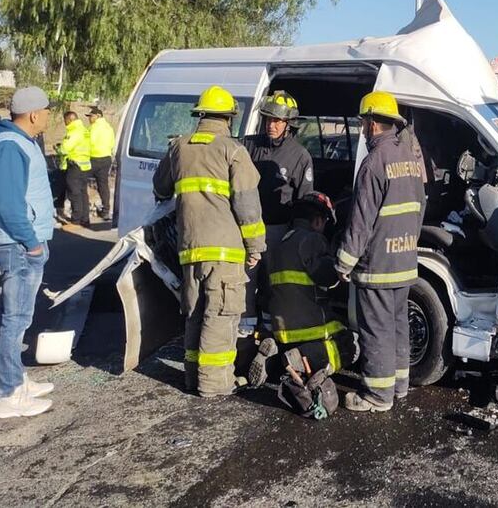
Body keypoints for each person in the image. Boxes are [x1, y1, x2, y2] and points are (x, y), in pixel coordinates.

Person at [152, 85, 266, 397]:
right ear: (229, 118)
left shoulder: (179, 147)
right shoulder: (233, 151)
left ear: (200, 115)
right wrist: (255, 248)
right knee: (220, 317)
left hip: (189, 251)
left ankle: (192, 379)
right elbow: (247, 207)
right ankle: (214, 386)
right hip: (225, 253)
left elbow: (160, 188)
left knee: (195, 315)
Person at [335, 91, 426, 412]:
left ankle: (377, 395)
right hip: (404, 260)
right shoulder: (410, 162)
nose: (361, 128)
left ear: (373, 124)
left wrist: (343, 262)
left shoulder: (374, 163)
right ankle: (400, 386)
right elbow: (419, 209)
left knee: (376, 329)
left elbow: (360, 222)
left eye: (363, 122)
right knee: (398, 325)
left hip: (377, 265)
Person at [0, 86, 57, 418]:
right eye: (47, 111)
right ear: (34, 114)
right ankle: (9, 395)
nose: (49, 117)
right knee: (14, 320)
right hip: (19, 245)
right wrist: (33, 242)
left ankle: (16, 380)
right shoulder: (11, 147)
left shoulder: (18, 142)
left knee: (19, 317)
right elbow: (11, 205)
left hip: (22, 243)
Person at [247, 192, 357, 388]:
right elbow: (328, 275)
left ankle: (273, 357)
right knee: (350, 343)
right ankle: (302, 359)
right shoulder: (313, 240)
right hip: (309, 328)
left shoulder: (278, 245)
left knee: (289, 353)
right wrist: (340, 264)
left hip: (281, 330)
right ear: (316, 221)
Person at [241, 91, 313, 323]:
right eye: (267, 119)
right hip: (247, 227)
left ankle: (271, 326)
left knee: (273, 281)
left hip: (278, 230)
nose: (270, 125)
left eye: (277, 120)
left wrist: (295, 238)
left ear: (288, 123)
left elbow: (305, 200)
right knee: (245, 280)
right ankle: (246, 326)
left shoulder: (300, 156)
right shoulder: (249, 145)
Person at [56, 111, 91, 228]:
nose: (65, 123)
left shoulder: (74, 131)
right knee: (83, 193)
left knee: (74, 193)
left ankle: (75, 220)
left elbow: (65, 149)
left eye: (65, 120)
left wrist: (58, 149)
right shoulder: (85, 130)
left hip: (75, 165)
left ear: (70, 120)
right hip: (84, 165)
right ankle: (85, 219)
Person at [87, 107, 115, 221]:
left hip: (94, 158)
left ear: (98, 116)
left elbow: (89, 142)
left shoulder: (93, 128)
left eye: (91, 116)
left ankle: (83, 209)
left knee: (79, 180)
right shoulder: (109, 128)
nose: (89, 119)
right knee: (103, 185)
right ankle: (106, 210)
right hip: (106, 159)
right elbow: (112, 142)